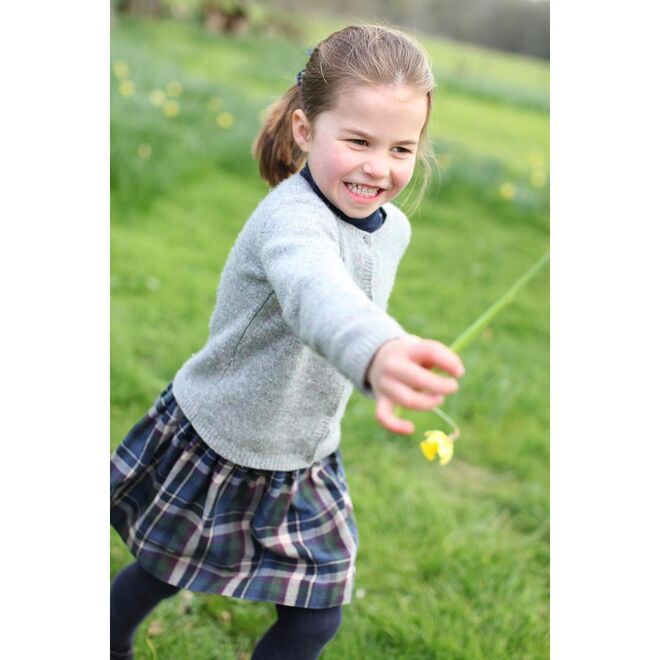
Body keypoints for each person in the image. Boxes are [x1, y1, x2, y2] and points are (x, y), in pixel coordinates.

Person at [110, 24, 465, 660]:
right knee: (162, 570)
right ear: (305, 129)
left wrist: (380, 353)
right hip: (221, 438)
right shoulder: (291, 219)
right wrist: (377, 352)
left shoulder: (394, 228)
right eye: (358, 141)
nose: (378, 167)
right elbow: (316, 293)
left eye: (401, 148)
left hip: (304, 454)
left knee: (315, 619)